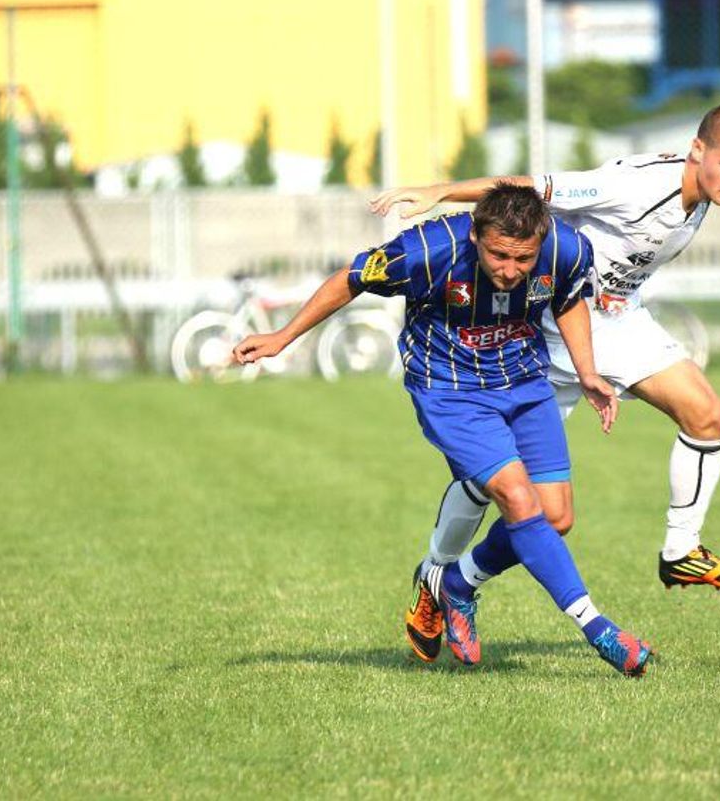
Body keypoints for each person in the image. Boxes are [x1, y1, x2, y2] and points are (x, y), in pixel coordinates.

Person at [371, 103, 720, 662]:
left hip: (618, 321)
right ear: (698, 150)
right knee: (501, 491)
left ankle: (680, 550)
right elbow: (537, 189)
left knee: (706, 415)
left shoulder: (700, 193)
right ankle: (438, 578)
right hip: (555, 328)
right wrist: (443, 191)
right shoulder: (636, 185)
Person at [233, 184, 655, 677]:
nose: (511, 271)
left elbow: (566, 298)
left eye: (523, 260)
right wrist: (282, 337)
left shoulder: (564, 247)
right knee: (518, 500)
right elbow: (349, 279)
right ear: (475, 234)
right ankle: (596, 627)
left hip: (524, 379)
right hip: (450, 390)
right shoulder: (425, 252)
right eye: (499, 255)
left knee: (556, 517)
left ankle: (454, 583)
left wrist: (587, 372)